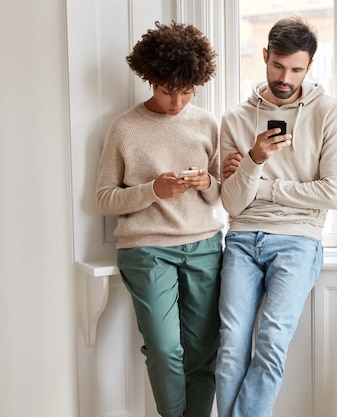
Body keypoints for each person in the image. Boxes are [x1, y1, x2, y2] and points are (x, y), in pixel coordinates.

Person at [216, 16, 337, 417]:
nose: (285, 77)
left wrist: (262, 185)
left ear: (309, 67)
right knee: (230, 345)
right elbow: (232, 204)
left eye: (296, 69)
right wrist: (255, 158)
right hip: (241, 239)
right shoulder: (236, 119)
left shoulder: (330, 114)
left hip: (298, 240)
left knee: (271, 344)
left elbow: (332, 193)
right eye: (277, 65)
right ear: (265, 56)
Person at [95, 21, 223, 417]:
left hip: (204, 246)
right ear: (151, 78)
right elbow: (104, 199)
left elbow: (220, 193)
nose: (177, 102)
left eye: (187, 91)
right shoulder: (125, 128)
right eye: (169, 91)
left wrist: (207, 181)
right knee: (166, 348)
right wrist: (154, 190)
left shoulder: (206, 123)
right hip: (147, 250)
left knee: (203, 351)